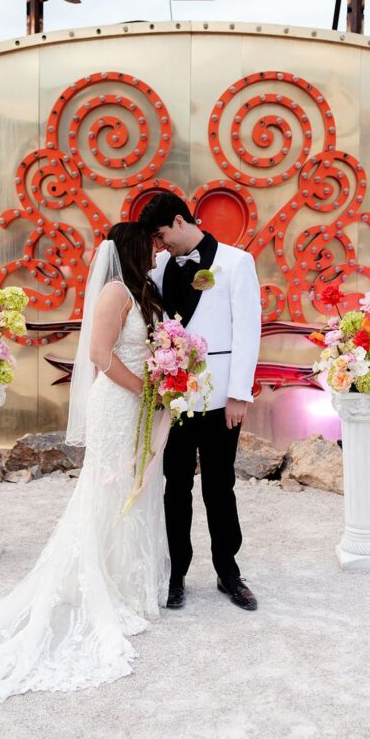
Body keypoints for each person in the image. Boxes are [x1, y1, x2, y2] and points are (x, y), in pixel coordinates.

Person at [0, 222, 170, 709]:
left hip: (141, 403)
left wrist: (165, 377)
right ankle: (101, 582)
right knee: (108, 489)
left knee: (137, 486)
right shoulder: (114, 292)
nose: (158, 252)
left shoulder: (142, 290)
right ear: (135, 249)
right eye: (152, 245)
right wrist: (147, 390)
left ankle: (127, 578)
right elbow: (98, 355)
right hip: (119, 403)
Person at [139, 193, 262, 612]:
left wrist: (239, 396)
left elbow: (248, 331)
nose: (159, 246)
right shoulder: (157, 268)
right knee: (176, 488)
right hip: (172, 399)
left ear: (178, 221)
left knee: (219, 486)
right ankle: (176, 574)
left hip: (220, 398)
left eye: (160, 236)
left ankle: (229, 571)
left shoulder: (235, 262)